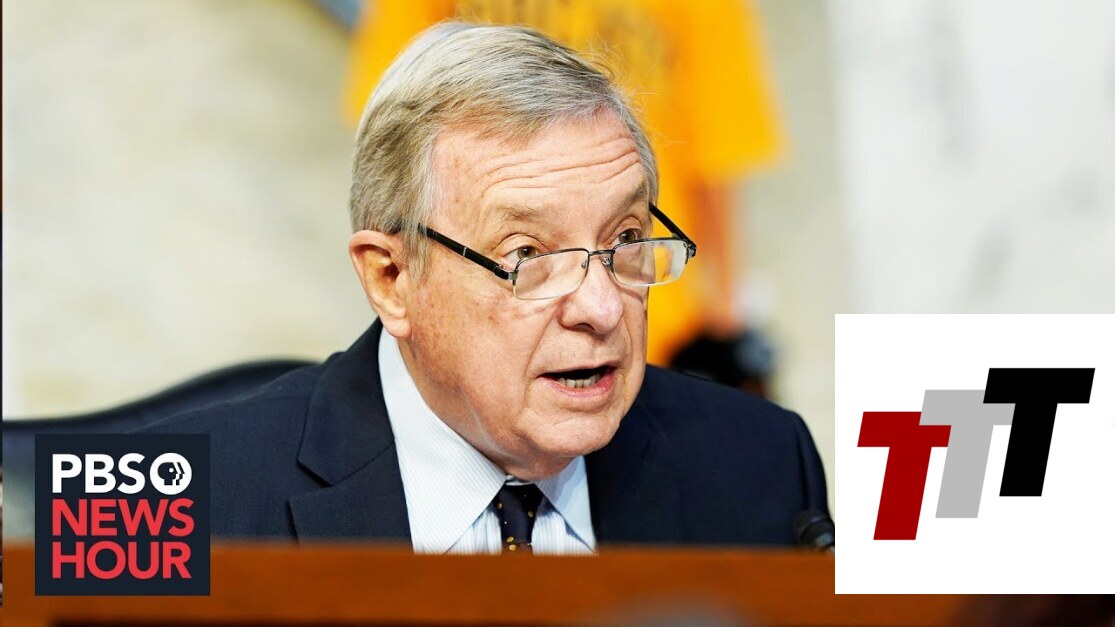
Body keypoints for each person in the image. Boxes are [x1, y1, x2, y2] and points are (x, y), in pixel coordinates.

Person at [150, 22, 828, 554]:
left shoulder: (764, 462)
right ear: (391, 277)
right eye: (527, 255)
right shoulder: (156, 501)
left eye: (624, 240)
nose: (599, 309)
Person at [343, 1, 786, 376]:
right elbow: (393, 135)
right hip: (518, 300)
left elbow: (717, 150)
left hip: (638, 307)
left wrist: (724, 309)